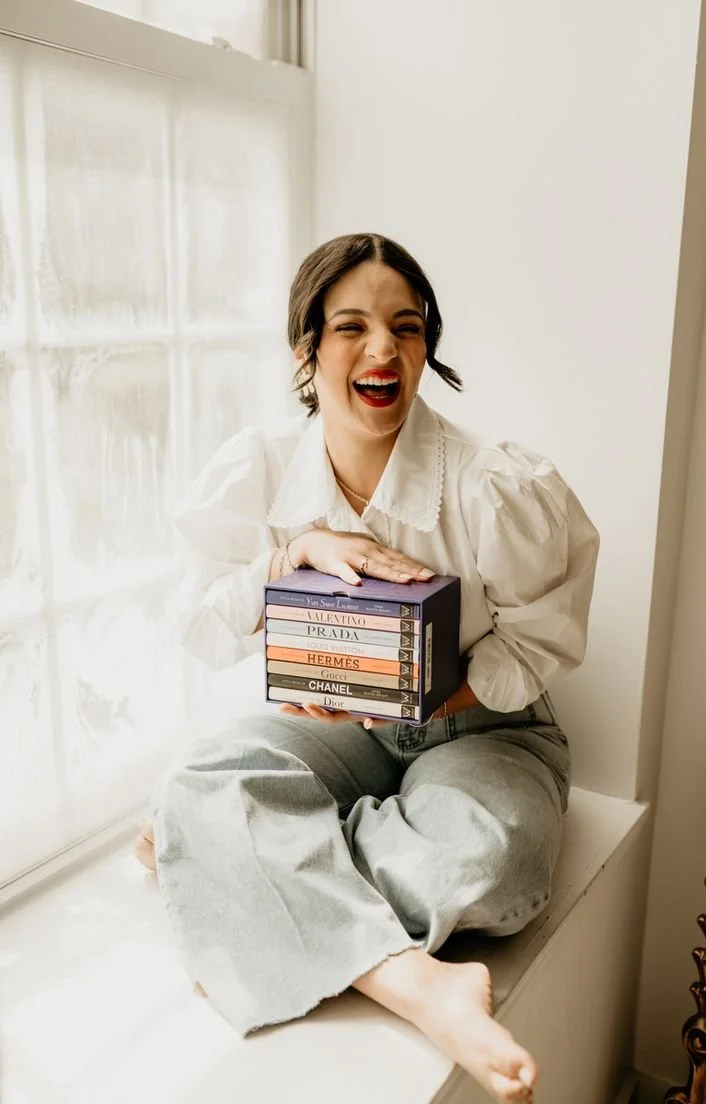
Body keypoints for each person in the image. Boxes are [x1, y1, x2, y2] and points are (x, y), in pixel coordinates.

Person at [136, 233, 599, 1103]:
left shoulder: (492, 483)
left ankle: (251, 869)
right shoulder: (261, 468)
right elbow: (194, 620)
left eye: (407, 326)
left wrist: (430, 689)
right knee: (199, 775)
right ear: (307, 350)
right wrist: (288, 557)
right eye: (351, 326)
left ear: (426, 346)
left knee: (497, 861)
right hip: (333, 731)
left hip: (480, 727)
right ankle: (416, 981)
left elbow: (544, 640)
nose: (384, 349)